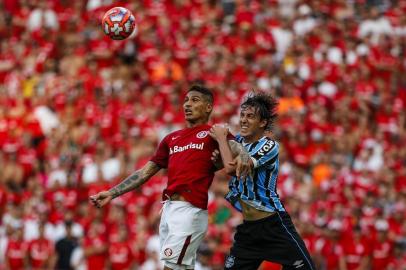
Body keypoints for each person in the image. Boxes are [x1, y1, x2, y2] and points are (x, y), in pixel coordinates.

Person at [90, 85, 251, 270]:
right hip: (168, 210)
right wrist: (112, 192)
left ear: (208, 107)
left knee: (170, 267)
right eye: (186, 100)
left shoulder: (213, 133)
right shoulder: (171, 138)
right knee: (180, 267)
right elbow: (144, 173)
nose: (187, 105)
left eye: (195, 100)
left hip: (190, 210)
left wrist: (244, 157)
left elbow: (239, 151)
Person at [210, 92, 316, 270]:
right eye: (242, 115)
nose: (243, 120)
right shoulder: (237, 141)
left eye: (250, 116)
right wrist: (217, 157)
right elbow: (219, 164)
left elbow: (231, 169)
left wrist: (221, 138)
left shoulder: (269, 145)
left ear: (263, 122)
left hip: (273, 225)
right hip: (249, 230)